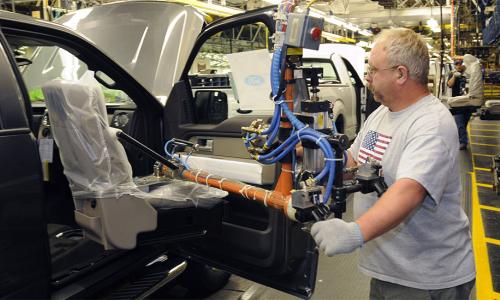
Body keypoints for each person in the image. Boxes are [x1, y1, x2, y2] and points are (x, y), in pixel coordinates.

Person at [311, 28, 475, 299]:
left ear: (400, 73)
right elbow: (353, 162)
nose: (368, 76)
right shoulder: (381, 115)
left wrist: (355, 233)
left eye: (374, 69)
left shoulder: (430, 122)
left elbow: (409, 191)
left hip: (427, 279)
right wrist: (317, 157)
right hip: (388, 270)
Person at [447, 54, 484, 150]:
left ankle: (462, 139)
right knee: (460, 124)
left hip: (468, 101)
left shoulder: (469, 72)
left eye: (460, 64)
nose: (459, 66)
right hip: (459, 103)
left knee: (464, 123)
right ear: (455, 65)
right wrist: (455, 76)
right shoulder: (453, 73)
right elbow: (449, 85)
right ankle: (463, 142)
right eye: (457, 64)